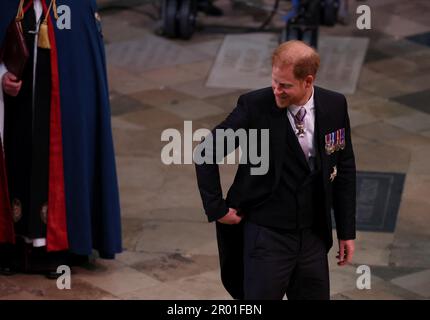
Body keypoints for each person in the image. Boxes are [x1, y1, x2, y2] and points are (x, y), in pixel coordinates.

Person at [195, 40, 356, 300]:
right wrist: (217, 209)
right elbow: (205, 152)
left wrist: (347, 232)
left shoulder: (335, 105)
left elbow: (345, 167)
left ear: (308, 81)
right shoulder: (254, 106)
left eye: (285, 85)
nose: (276, 90)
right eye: (274, 81)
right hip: (266, 236)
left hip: (313, 235)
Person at [0, 0, 122, 277]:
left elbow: (83, 70)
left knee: (62, 163)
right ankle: (11, 245)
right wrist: (3, 76)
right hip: (14, 116)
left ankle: (58, 247)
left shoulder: (77, 8)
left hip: (61, 121)